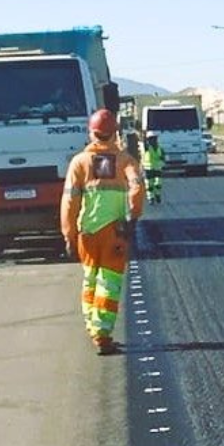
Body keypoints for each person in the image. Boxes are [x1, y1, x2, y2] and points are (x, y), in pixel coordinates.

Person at [60, 109, 145, 355]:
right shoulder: (125, 161)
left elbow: (69, 201)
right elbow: (137, 188)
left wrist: (68, 234)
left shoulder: (79, 162)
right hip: (114, 234)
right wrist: (132, 217)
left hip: (86, 232)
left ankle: (92, 326)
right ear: (115, 132)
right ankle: (102, 335)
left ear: (91, 132)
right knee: (109, 283)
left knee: (89, 279)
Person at [141, 130, 166, 204]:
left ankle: (157, 195)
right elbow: (144, 143)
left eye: (154, 139)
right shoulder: (147, 148)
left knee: (158, 183)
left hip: (158, 168)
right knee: (149, 185)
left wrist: (162, 163)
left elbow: (163, 157)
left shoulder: (160, 148)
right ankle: (151, 198)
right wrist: (144, 135)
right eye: (151, 139)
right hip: (148, 169)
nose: (153, 140)